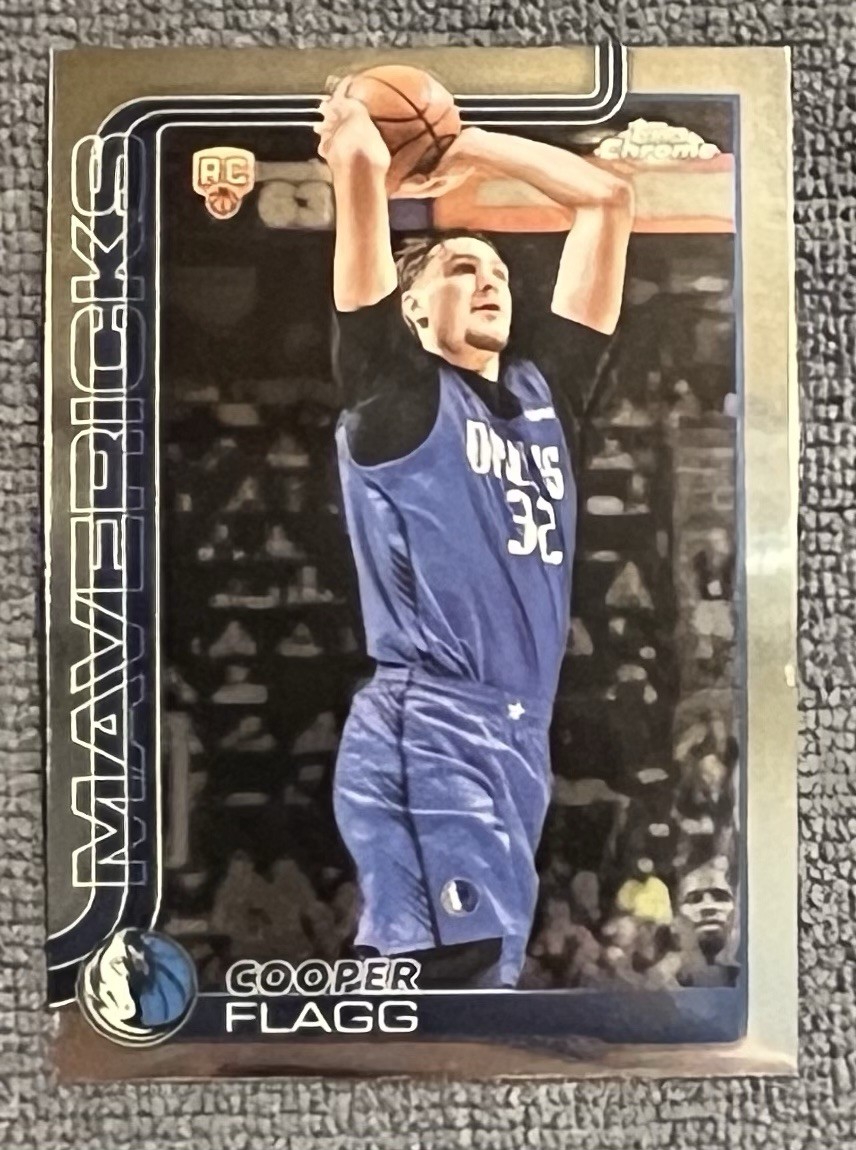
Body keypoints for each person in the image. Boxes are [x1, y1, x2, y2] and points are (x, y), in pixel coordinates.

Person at [315, 78, 633, 988]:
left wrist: (464, 142)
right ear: (412, 311)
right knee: (468, 971)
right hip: (437, 718)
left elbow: (606, 201)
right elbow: (363, 213)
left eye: (496, 271)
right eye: (461, 269)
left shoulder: (543, 395)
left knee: (431, 981)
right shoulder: (397, 394)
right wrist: (365, 160)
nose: (490, 279)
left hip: (511, 729)